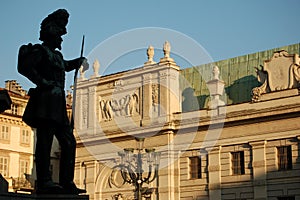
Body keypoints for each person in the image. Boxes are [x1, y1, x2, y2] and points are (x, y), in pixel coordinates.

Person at [17, 9, 88, 194]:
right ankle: (44, 181)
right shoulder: (40, 51)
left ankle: (67, 182)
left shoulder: (56, 56)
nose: (61, 40)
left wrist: (79, 61)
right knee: (45, 142)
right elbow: (24, 68)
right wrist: (43, 82)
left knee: (68, 142)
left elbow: (65, 66)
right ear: (52, 36)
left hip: (58, 105)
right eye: (59, 36)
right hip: (45, 102)